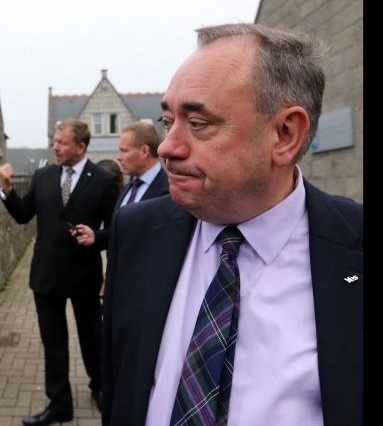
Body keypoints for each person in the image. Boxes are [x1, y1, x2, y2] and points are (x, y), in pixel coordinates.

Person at [101, 23, 362, 426]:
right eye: (168, 120)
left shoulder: (352, 249)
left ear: (284, 134)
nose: (167, 146)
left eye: (198, 123)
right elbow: (120, 387)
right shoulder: (136, 231)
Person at [0, 118, 118, 425]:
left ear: (80, 147)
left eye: (62, 143)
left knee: (92, 338)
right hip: (46, 275)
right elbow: (23, 216)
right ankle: (59, 404)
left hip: (85, 276)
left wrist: (96, 238)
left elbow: (115, 230)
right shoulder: (44, 175)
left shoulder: (102, 180)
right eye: (55, 141)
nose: (55, 147)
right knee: (54, 342)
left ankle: (100, 389)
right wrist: (7, 189)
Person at [73, 121, 169, 248]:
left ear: (144, 151)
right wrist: (95, 236)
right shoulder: (129, 187)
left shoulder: (169, 191)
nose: (118, 157)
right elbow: (123, 234)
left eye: (124, 151)